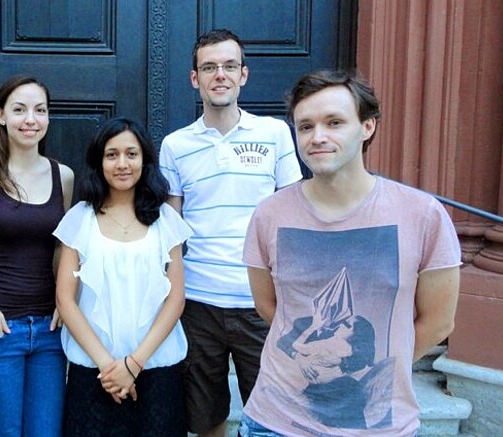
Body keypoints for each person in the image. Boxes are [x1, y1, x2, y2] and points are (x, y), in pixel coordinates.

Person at [240, 70, 460, 436]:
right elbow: (268, 306)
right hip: (274, 422)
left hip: (379, 428)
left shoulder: (423, 215)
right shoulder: (269, 214)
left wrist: (377, 364)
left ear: (367, 127)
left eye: (334, 123)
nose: (317, 137)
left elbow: (438, 323)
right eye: (305, 126)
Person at [158, 28, 303, 436]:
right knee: (205, 419)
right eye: (209, 67)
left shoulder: (274, 134)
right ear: (195, 78)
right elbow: (172, 230)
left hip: (260, 302)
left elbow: (292, 217)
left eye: (229, 66)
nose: (219, 74)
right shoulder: (175, 145)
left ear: (243, 74)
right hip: (198, 302)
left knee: (273, 417)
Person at [55, 117, 192, 436]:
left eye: (131, 154)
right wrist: (109, 367)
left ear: (144, 160)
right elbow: (65, 300)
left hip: (156, 367)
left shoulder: (165, 219)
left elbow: (175, 299)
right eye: (111, 154)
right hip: (94, 371)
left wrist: (133, 365)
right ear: (98, 161)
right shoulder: (79, 219)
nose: (122, 164)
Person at [0, 75, 74, 437]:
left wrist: (66, 301)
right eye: (20, 110)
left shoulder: (63, 177)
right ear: (1, 115)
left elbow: (63, 248)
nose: (30, 120)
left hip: (49, 332)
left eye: (40, 110)